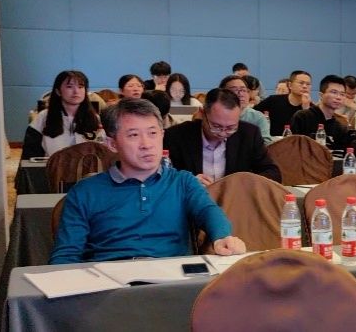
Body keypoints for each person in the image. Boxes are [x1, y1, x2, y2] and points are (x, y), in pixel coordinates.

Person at [50, 99, 246, 263]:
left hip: (170, 280)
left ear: (162, 135)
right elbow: (66, 255)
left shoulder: (182, 182)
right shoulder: (85, 192)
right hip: (108, 282)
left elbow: (207, 211)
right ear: (112, 144)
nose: (146, 144)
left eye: (153, 133)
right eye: (134, 135)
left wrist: (222, 237)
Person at [164, 88, 281, 185]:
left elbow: (273, 172)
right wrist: (186, 182)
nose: (223, 133)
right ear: (202, 113)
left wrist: (242, 183)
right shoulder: (176, 136)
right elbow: (160, 175)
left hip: (234, 200)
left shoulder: (249, 134)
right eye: (216, 126)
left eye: (231, 127)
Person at [22, 70, 102, 159]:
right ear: (58, 91)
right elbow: (29, 157)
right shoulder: (43, 117)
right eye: (69, 86)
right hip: (51, 166)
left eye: (80, 87)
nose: (76, 91)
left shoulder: (95, 118)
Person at [289, 74, 352, 149]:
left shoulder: (340, 127)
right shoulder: (302, 117)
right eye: (334, 92)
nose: (338, 97)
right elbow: (293, 147)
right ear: (321, 95)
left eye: (342, 94)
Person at [253, 70, 311, 136]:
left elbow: (310, 133)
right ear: (290, 85)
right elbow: (252, 115)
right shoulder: (273, 100)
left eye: (308, 84)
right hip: (273, 140)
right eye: (301, 83)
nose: (305, 86)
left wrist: (306, 109)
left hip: (298, 141)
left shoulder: (311, 108)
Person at [219, 75, 271, 144]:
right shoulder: (213, 116)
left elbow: (266, 144)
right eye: (235, 90)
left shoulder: (257, 117)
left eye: (244, 90)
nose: (240, 94)